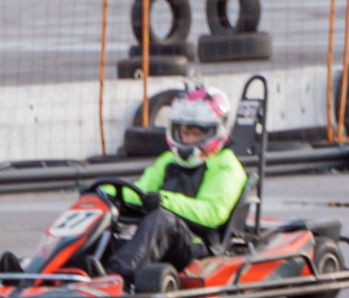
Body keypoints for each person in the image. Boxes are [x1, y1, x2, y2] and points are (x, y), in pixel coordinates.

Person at [104, 84, 247, 284]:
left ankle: (116, 276)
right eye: (184, 132)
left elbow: (212, 213)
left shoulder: (226, 166)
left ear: (216, 131)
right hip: (162, 235)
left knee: (162, 219)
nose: (189, 139)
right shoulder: (168, 160)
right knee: (107, 215)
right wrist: (104, 192)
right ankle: (73, 266)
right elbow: (139, 191)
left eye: (197, 133)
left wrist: (163, 201)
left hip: (199, 244)